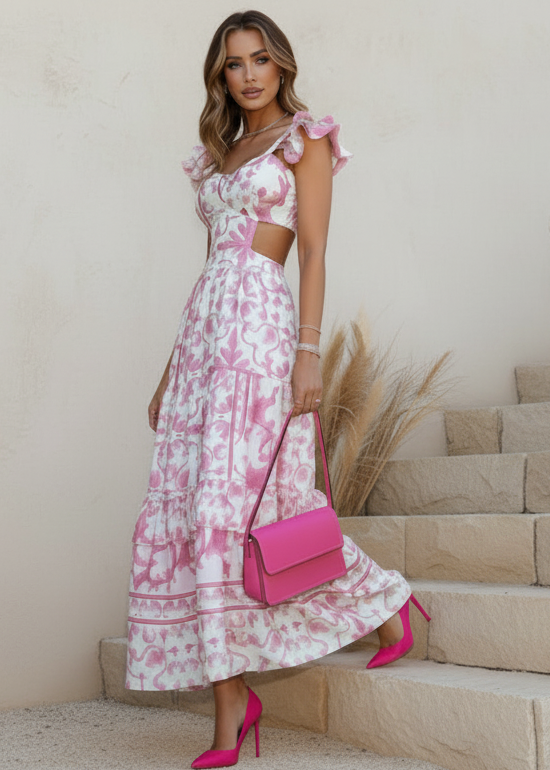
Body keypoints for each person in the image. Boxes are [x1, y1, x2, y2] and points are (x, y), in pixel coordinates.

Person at [125, 10, 430, 769]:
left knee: (257, 509)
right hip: (206, 337)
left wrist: (307, 355)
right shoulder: (220, 154)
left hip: (263, 332)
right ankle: (237, 699)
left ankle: (381, 605)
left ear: (281, 64)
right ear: (221, 75)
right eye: (235, 64)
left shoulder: (307, 137)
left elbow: (315, 251)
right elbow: (209, 266)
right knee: (203, 516)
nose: (250, 73)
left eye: (261, 59)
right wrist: (171, 371)